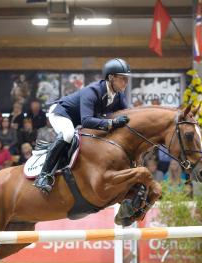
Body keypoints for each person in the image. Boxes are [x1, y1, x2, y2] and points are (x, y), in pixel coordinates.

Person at [34, 58, 131, 194]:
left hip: (76, 120)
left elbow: (128, 116)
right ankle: (43, 176)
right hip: (61, 113)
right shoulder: (92, 91)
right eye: (123, 78)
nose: (126, 82)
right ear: (111, 77)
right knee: (68, 134)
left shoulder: (118, 96)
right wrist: (111, 123)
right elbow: (86, 121)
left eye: (127, 78)